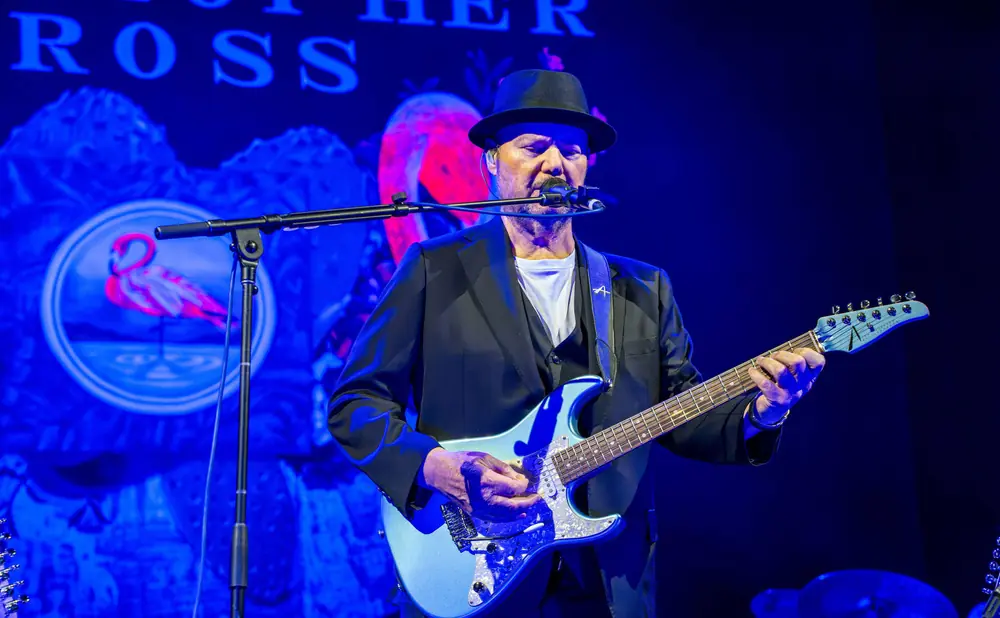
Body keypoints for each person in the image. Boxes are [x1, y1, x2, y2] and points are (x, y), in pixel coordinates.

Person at [327, 69, 826, 617]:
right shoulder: (435, 269)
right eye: (534, 146)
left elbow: (684, 414)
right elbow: (357, 405)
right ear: (491, 160)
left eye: (571, 150)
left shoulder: (641, 288)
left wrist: (762, 412)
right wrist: (436, 467)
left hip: (610, 581)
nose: (554, 163)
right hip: (469, 565)